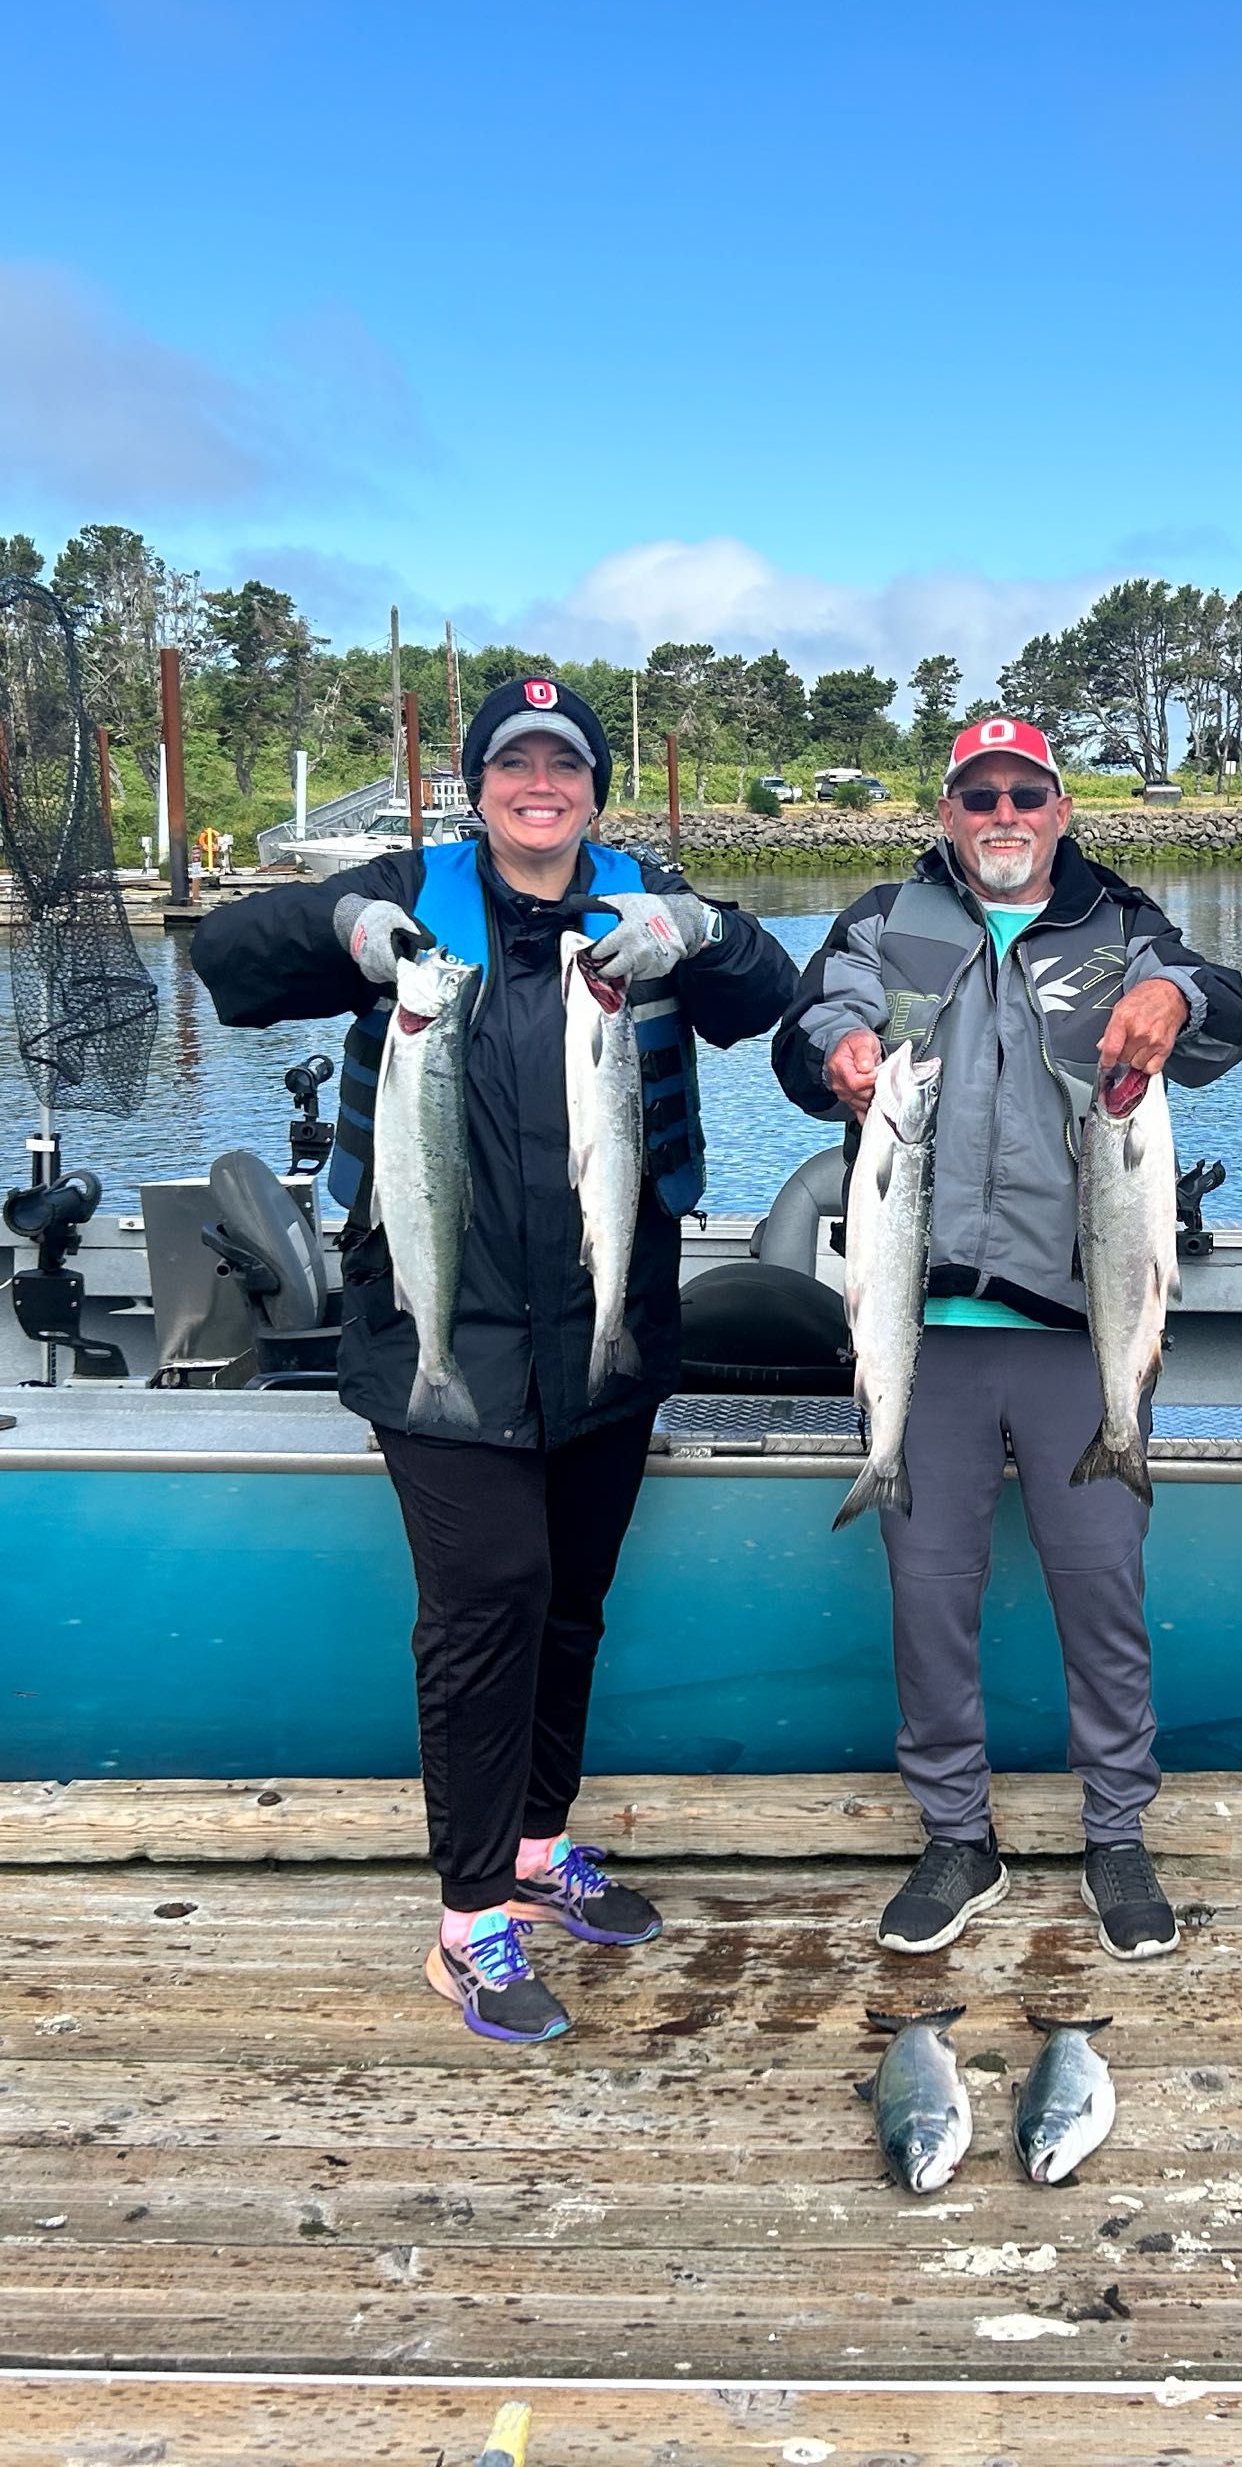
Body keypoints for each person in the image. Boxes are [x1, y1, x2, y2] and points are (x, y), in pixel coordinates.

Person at [193, 676, 797, 2044]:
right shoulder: (410, 892)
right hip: (434, 1325)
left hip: (606, 1323)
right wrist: (343, 920)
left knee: (571, 1600)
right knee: (490, 1607)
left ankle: (536, 1846)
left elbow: (764, 997)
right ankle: (470, 1921)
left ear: (594, 786)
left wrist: (694, 929)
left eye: (565, 766)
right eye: (514, 764)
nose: (541, 785)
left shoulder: (638, 899)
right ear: (477, 785)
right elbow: (229, 961)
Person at [774, 717, 1242, 1960]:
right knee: (929, 1600)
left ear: (1061, 809)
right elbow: (798, 1028)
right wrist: (840, 1048)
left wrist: (1174, 990)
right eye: (977, 794)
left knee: (1104, 1593)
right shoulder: (884, 922)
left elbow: (1230, 1019)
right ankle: (956, 1837)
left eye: (1025, 793)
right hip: (917, 1333)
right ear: (946, 812)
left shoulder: (1121, 926)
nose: (1002, 813)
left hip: (1074, 1332)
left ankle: (1117, 1835)